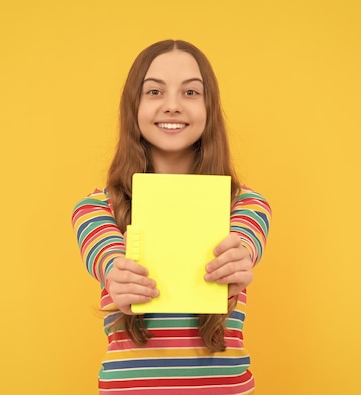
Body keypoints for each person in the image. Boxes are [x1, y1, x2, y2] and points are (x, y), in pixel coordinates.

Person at [72, 39, 271, 394]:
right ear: (134, 106)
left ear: (209, 108)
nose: (173, 106)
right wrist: (118, 273)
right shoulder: (97, 208)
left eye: (191, 92)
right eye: (154, 92)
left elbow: (245, 243)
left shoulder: (246, 205)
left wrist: (238, 261)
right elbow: (105, 257)